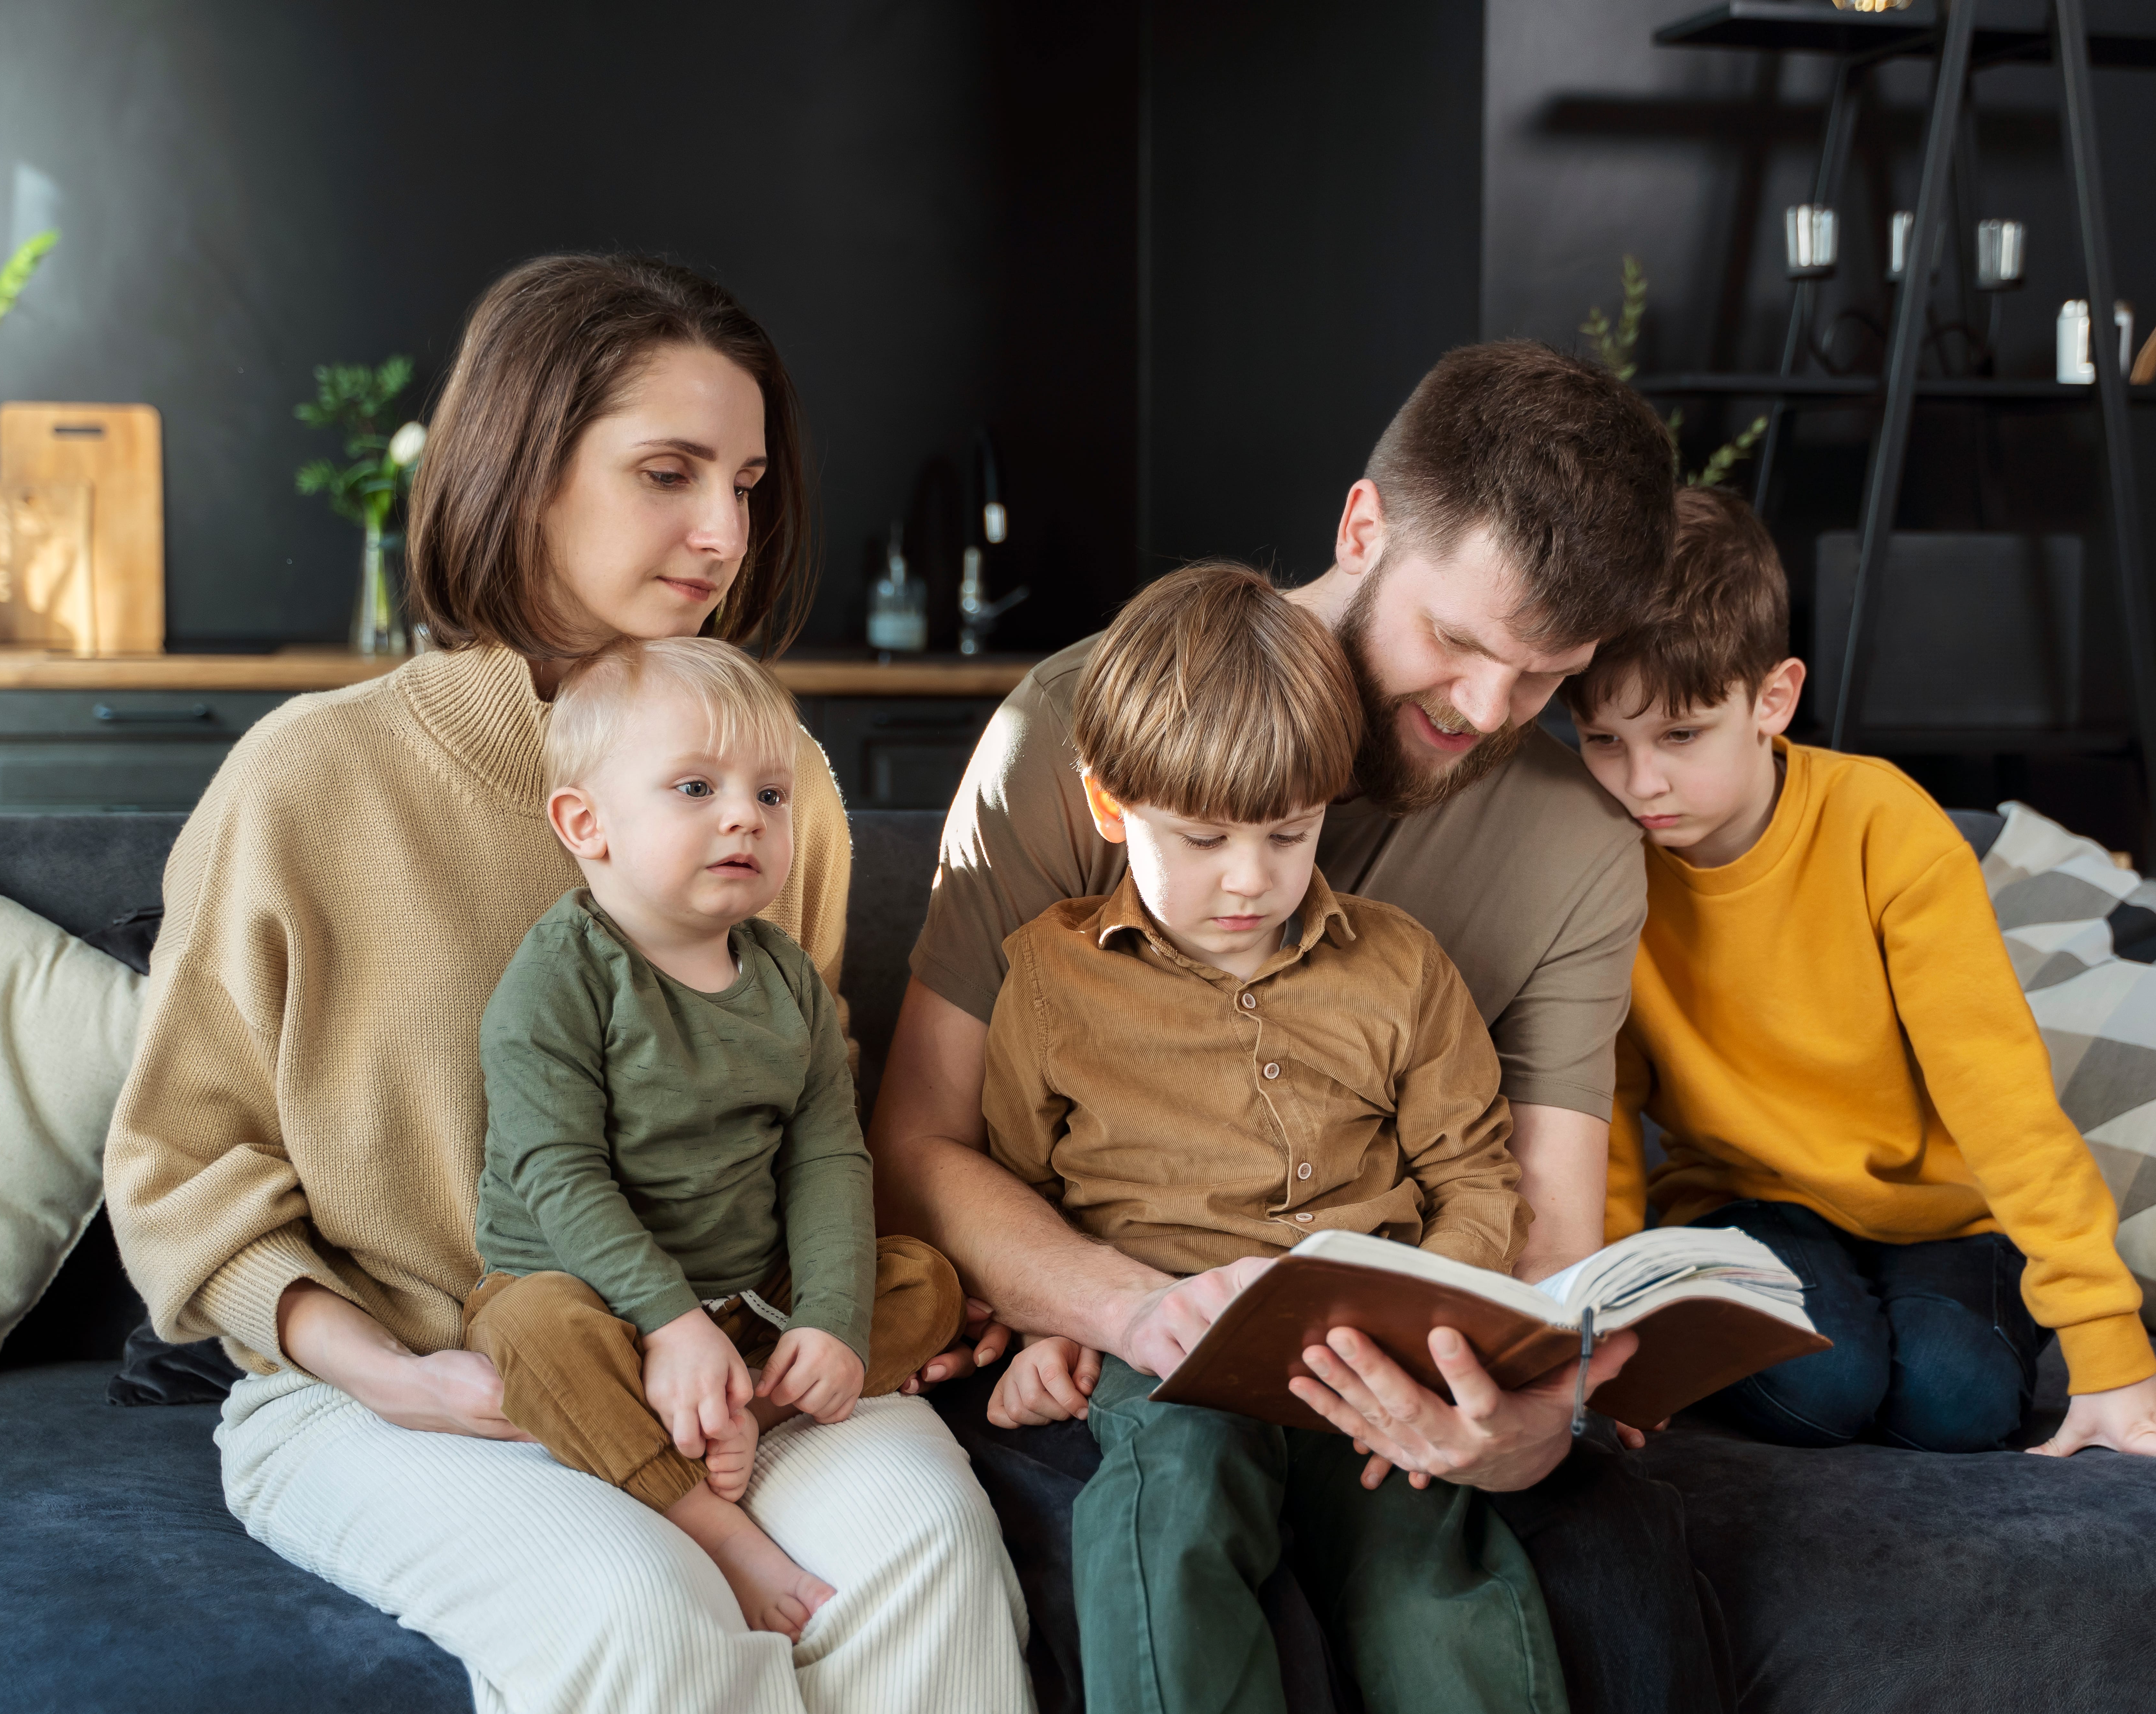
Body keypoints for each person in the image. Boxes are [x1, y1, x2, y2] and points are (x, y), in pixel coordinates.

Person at [103, 254, 1033, 1712]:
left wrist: (830, 1321)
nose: (723, 530)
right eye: (667, 472)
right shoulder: (308, 777)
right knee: (639, 1615)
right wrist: (397, 1376)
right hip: (398, 1393)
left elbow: (813, 1120)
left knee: (925, 1551)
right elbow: (178, 1168)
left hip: (731, 1362)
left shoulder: (780, 793)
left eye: (746, 482)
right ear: (523, 470)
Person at [878, 341, 1730, 1713]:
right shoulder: (1087, 726)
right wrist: (1128, 1309)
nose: (1482, 712)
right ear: (1362, 528)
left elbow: (1544, 1223)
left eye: (1541, 675)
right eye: (1455, 641)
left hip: (1408, 1365)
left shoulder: (1575, 847)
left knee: (1614, 1558)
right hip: (1120, 1337)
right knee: (1172, 1514)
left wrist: (1516, 1427)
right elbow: (918, 1139)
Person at [1565, 484, 2156, 1467]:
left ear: (1773, 699)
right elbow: (1597, 1108)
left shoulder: (1886, 828)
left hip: (1943, 1212)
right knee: (1823, 1392)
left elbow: (2002, 1097)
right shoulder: (1598, 861)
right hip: (1746, 1206)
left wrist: (2116, 1360)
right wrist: (1609, 1338)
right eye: (1604, 741)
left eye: (1680, 736)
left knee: (1958, 1405)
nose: (1641, 782)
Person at [978, 563, 1563, 1713]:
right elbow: (1013, 1182)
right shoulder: (1050, 981)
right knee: (1172, 1504)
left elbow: (1473, 1173)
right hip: (1170, 1355)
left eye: (1289, 836)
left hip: (1373, 1356)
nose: (1250, 882)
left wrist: (1433, 1316)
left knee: (1430, 1575)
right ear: (1111, 807)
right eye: (1202, 840)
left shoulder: (1400, 966)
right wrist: (1034, 1324)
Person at [465, 636, 969, 1640]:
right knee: (527, 1339)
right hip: (599, 1301)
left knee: (924, 1284)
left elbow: (828, 1158)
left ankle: (750, 1411)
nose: (745, 814)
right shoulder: (561, 977)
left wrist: (826, 1318)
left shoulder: (787, 983)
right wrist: (666, 1322)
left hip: (746, 1301)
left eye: (771, 796)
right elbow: (555, 1173)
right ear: (586, 823)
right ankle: (704, 1516)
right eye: (695, 787)